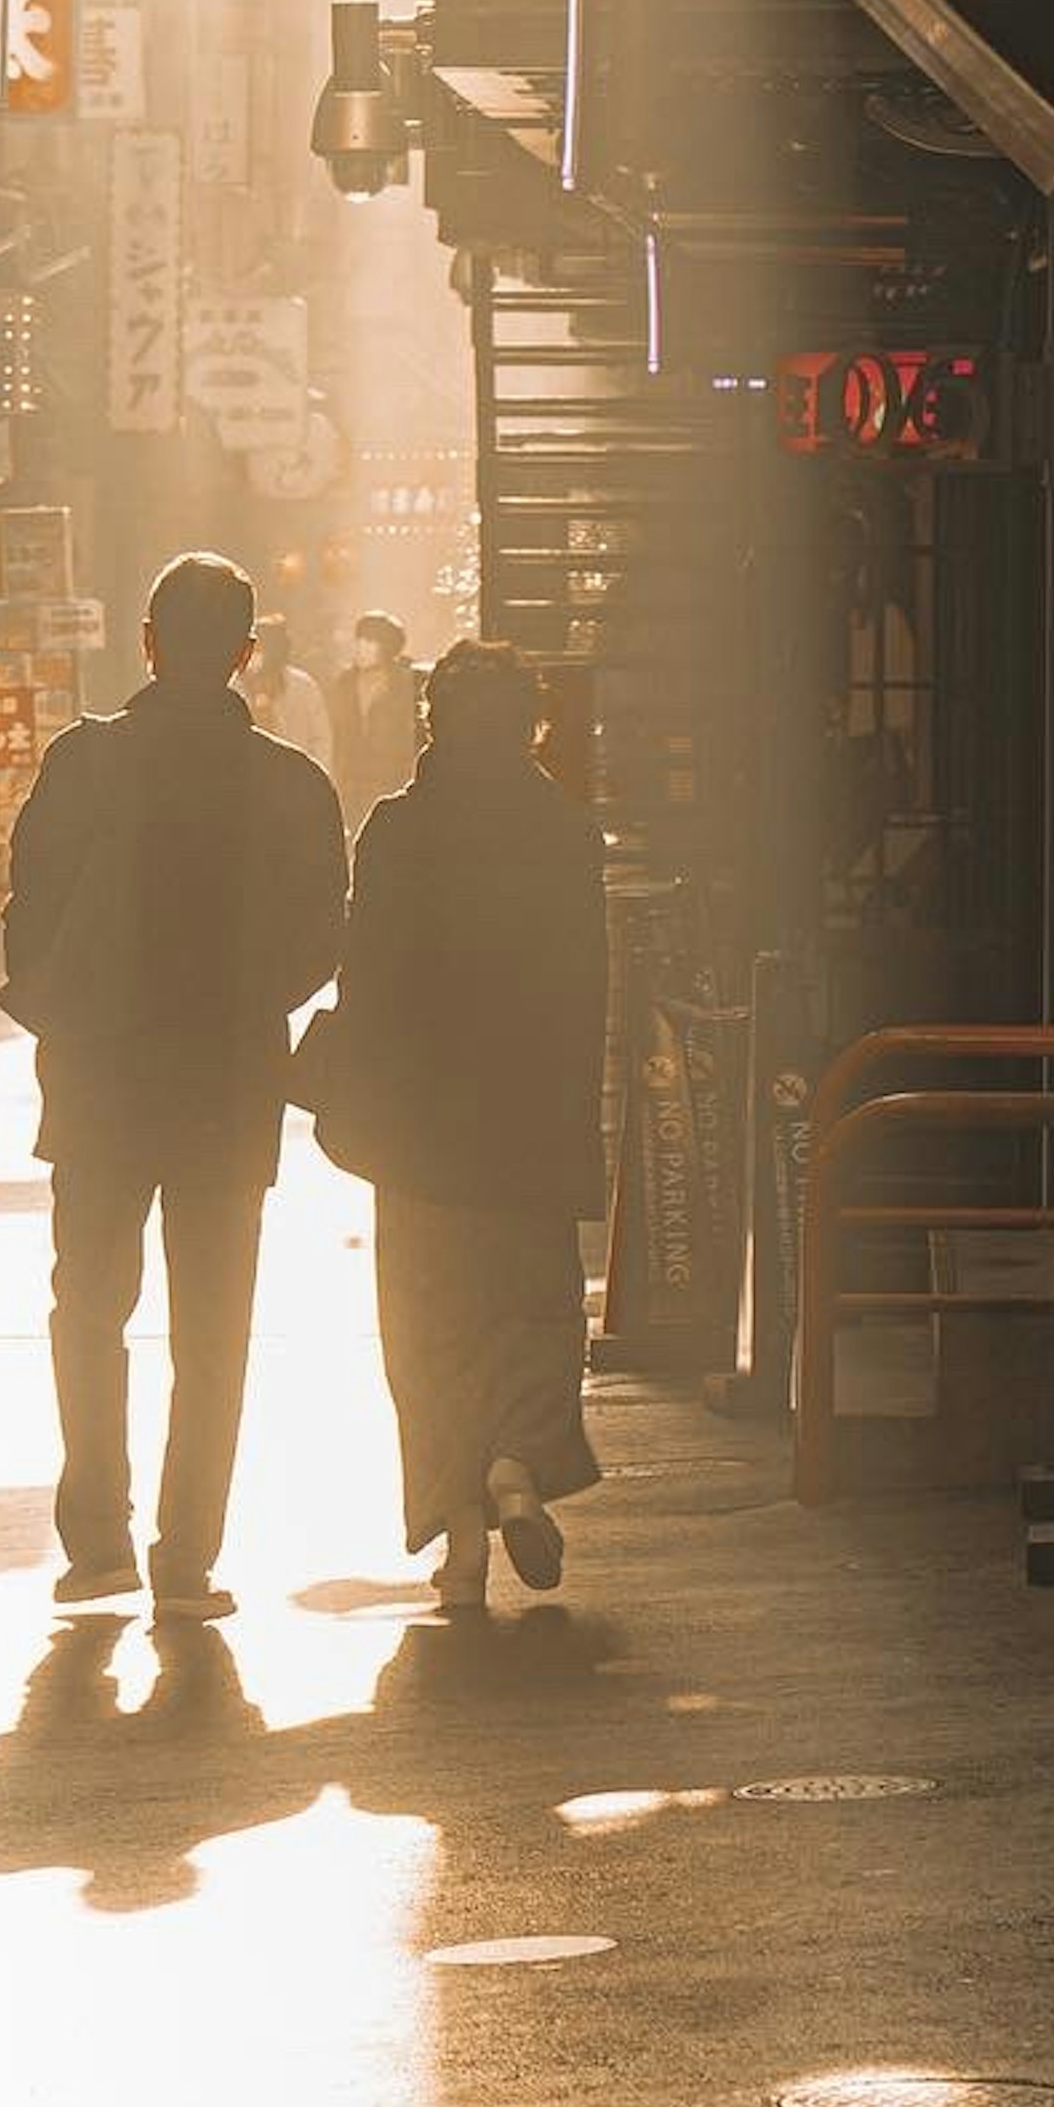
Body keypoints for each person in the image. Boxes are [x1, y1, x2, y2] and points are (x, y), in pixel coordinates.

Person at [0, 552, 347, 1618]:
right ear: (248, 655)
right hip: (227, 1082)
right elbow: (320, 941)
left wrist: (75, 1011)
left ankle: (96, 1540)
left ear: (145, 641)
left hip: (102, 1079)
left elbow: (28, 913)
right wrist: (243, 1008)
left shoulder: (82, 761)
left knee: (90, 1309)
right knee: (213, 1327)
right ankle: (186, 1560)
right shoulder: (292, 783)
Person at [316, 637, 609, 1607]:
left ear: (434, 721)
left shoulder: (399, 829)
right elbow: (587, 991)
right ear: (532, 726)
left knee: (429, 1331)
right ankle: (517, 1464)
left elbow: (368, 980)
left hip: (423, 1138)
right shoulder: (563, 831)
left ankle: (462, 1538)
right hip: (528, 1127)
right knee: (531, 1316)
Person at [324, 609, 419, 842]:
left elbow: (411, 733)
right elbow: (333, 731)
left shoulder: (405, 685)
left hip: (391, 780)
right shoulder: (344, 683)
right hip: (351, 782)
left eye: (369, 641)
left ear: (387, 647)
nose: (360, 647)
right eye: (359, 640)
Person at [240, 608, 337, 778]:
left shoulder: (302, 686)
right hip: (249, 780)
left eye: (258, 651)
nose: (252, 658)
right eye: (249, 651)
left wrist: (315, 777)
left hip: (296, 778)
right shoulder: (236, 686)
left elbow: (321, 738)